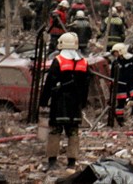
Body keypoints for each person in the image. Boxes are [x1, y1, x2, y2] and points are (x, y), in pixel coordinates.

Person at [39, 33, 89, 172]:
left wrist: (44, 100)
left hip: (59, 102)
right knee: (73, 133)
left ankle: (52, 161)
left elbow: (49, 83)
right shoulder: (84, 62)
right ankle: (71, 163)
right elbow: (86, 85)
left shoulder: (59, 61)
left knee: (55, 131)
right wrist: (83, 102)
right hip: (75, 104)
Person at [110, 43, 133, 125]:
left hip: (131, 84)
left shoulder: (131, 59)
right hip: (120, 86)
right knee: (120, 103)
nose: (114, 54)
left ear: (121, 51)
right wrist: (112, 86)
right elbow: (112, 76)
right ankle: (120, 119)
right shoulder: (115, 62)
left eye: (115, 52)